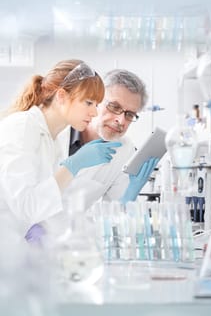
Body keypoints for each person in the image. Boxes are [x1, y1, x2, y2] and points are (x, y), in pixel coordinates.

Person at [26, 68, 158, 242]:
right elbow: (20, 195)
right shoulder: (53, 130)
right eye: (114, 107)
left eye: (130, 114)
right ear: (96, 101)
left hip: (68, 247)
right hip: (20, 236)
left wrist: (129, 197)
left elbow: (113, 219)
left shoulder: (124, 150)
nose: (121, 120)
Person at [0, 59, 122, 239]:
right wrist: (73, 165)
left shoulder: (53, 139)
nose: (95, 113)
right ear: (61, 96)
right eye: (88, 103)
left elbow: (48, 208)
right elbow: (27, 207)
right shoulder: (22, 127)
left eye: (96, 105)